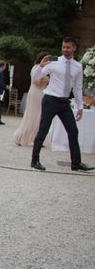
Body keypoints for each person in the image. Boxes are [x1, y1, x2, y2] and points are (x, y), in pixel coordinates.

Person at [30, 37, 94, 172]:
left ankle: (76, 163)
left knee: (73, 131)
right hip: (50, 100)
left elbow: (77, 88)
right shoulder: (54, 61)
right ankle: (34, 160)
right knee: (43, 130)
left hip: (65, 103)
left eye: (68, 47)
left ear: (74, 48)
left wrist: (80, 106)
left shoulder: (78, 66)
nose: (65, 50)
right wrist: (40, 66)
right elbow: (35, 77)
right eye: (63, 47)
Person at [13, 53, 50, 146]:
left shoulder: (36, 67)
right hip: (37, 93)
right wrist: (49, 79)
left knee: (36, 116)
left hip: (36, 93)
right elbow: (37, 82)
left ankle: (34, 138)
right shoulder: (38, 68)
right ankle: (22, 137)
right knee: (34, 116)